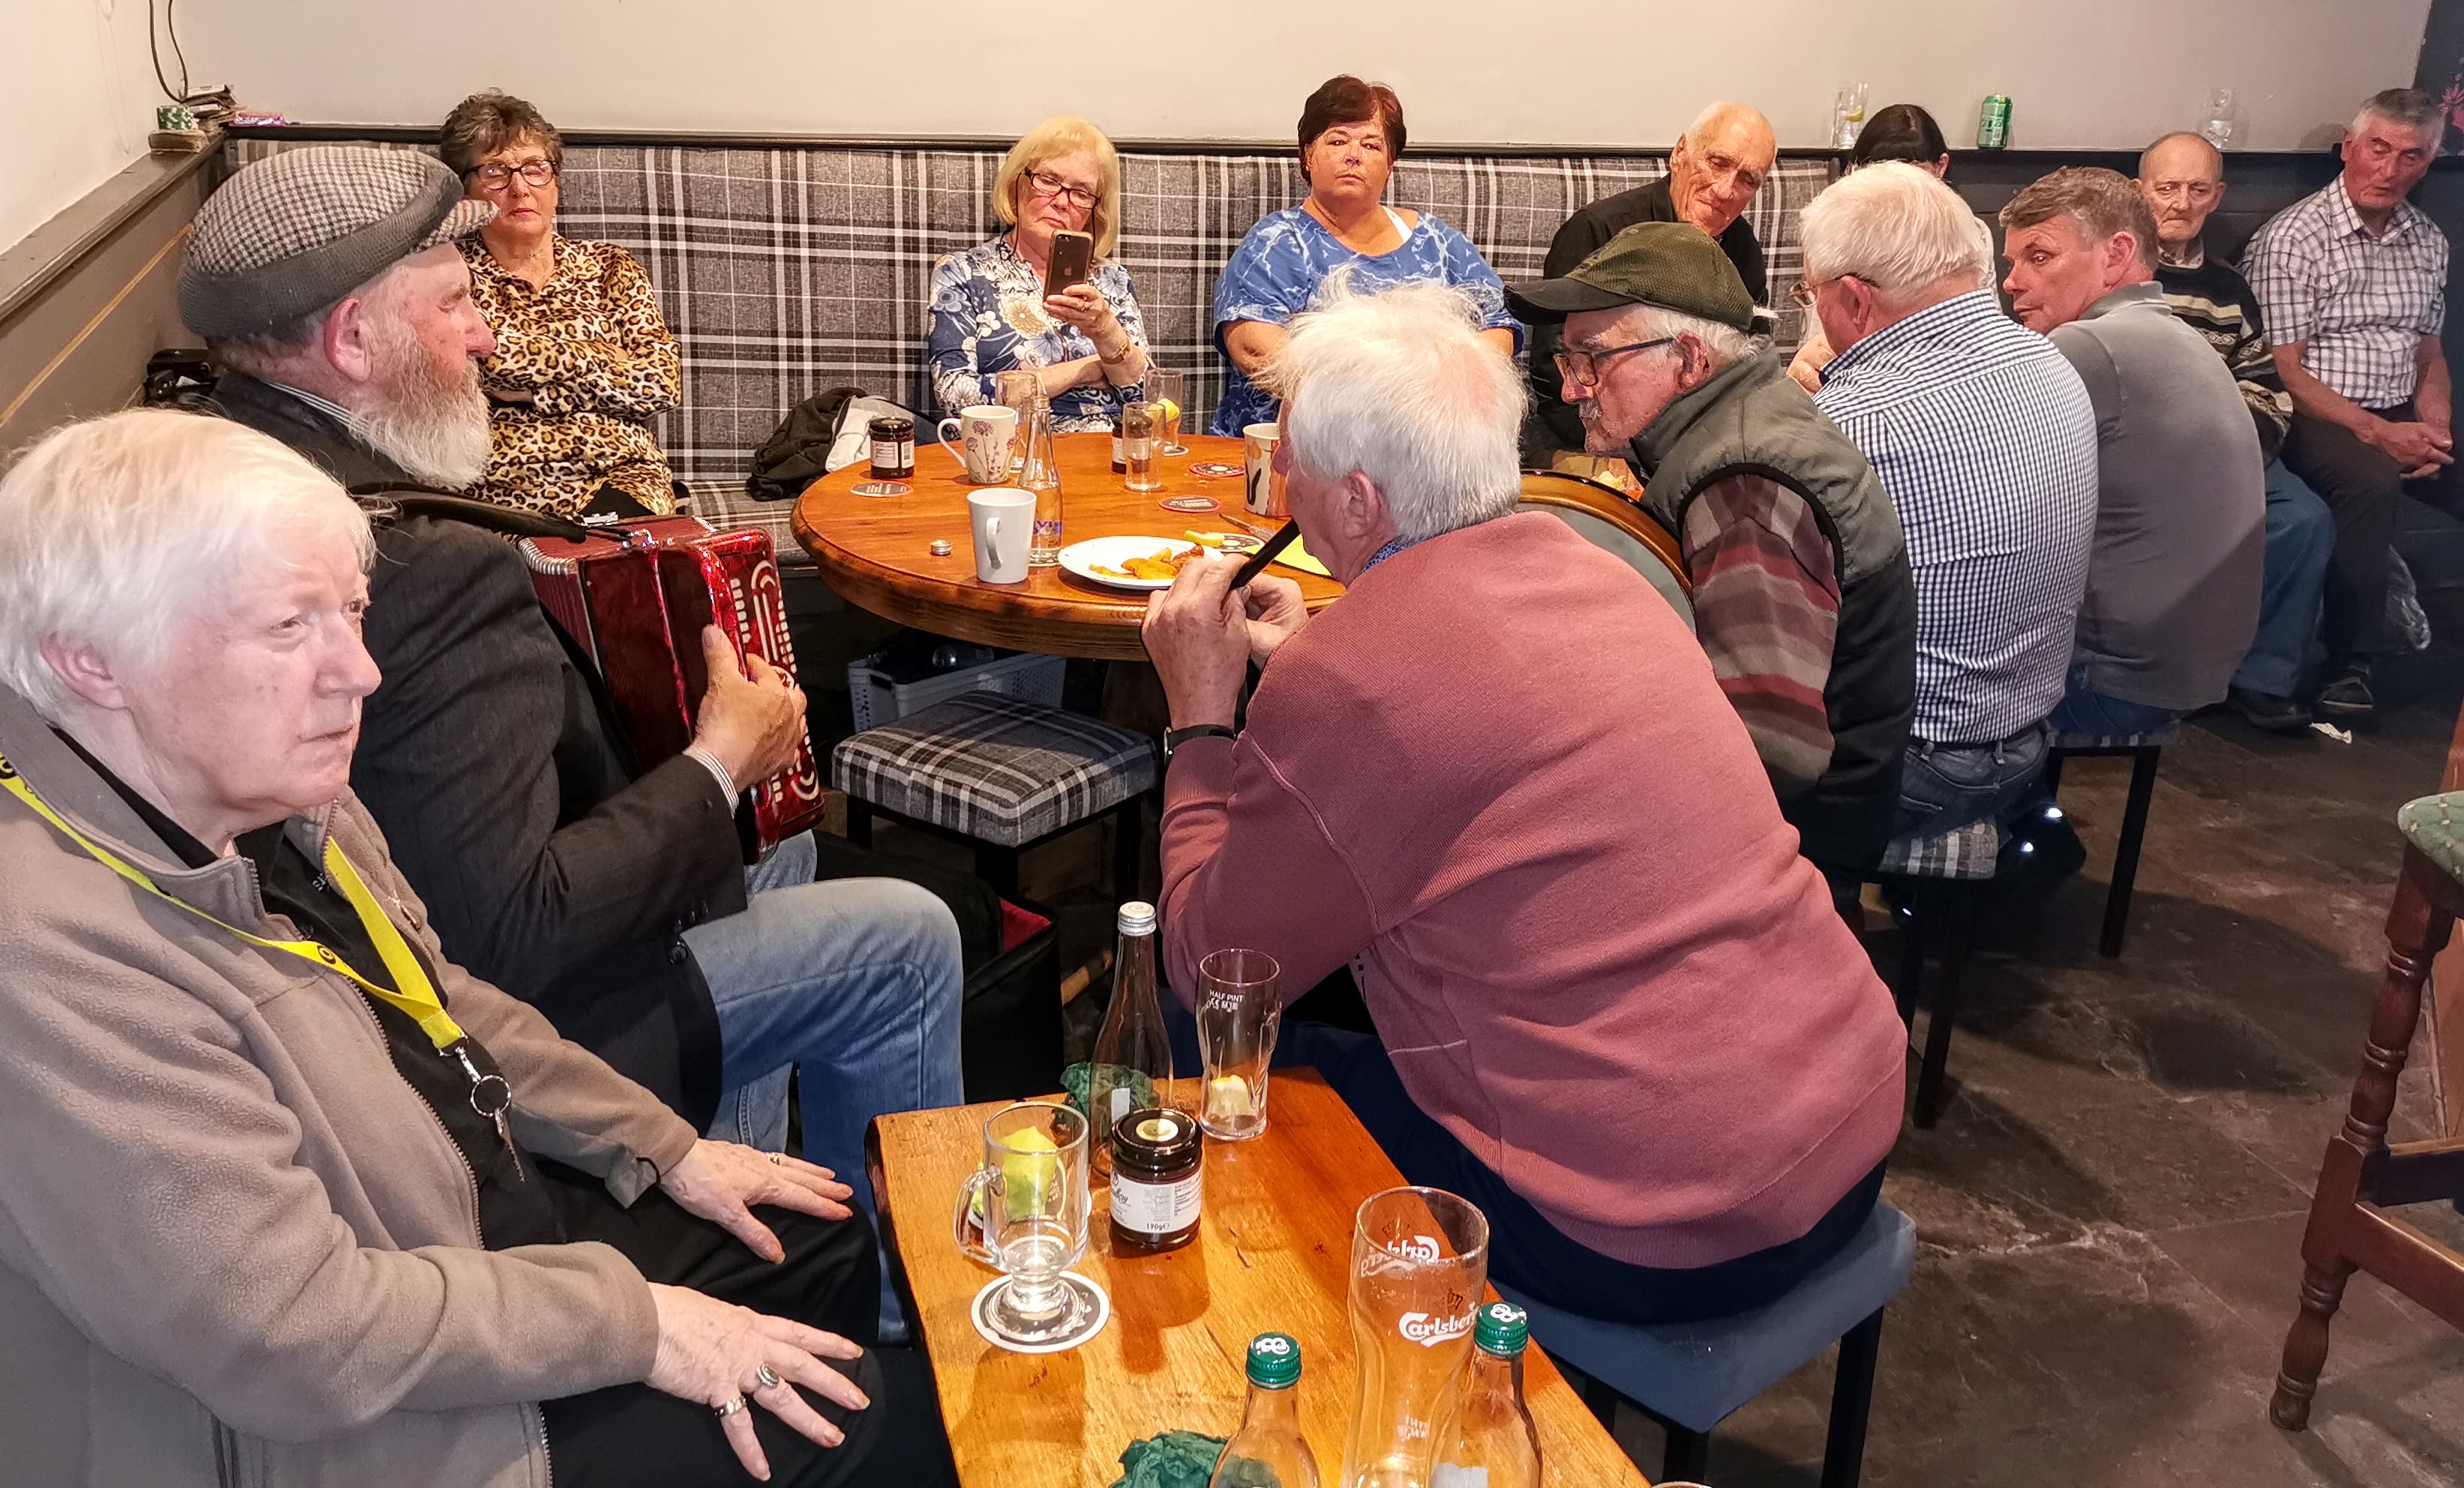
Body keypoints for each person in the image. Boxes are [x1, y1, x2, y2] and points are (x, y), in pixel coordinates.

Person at [0, 410, 951, 1488]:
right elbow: (293, 1333)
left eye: (350, 611)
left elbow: (439, 999)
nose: (360, 671)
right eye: (289, 626)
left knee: (813, 1236)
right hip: (319, 1431)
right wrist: (639, 1322)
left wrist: (658, 1144)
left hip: (437, 1227)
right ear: (90, 661)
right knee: (873, 1426)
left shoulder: (245, 778)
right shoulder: (7, 941)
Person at [181, 145, 963, 1336]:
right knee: (910, 935)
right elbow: (512, 933)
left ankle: (751, 1202)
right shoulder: (424, 568)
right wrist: (713, 763)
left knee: (781, 842)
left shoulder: (213, 469)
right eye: (456, 302)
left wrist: (713, 784)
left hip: (359, 958)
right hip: (507, 1029)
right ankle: (907, 1316)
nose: (485, 338)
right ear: (352, 338)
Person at [1141, 278, 1901, 1324]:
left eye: (1291, 459)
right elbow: (1464, 715)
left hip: (1654, 1224)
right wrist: (1326, 655)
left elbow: (1210, 970)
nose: (1280, 481)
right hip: (1845, 1120)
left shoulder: (1359, 682)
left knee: (1190, 1044)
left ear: (1357, 501)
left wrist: (1198, 723)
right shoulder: (1602, 572)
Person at [1507, 223, 1915, 878]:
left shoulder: (1742, 485)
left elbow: (1769, 752)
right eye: (1569, 361)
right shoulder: (1748, 412)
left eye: (1592, 359)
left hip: (1797, 848)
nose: (1573, 388)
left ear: (1689, 359)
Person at [1802, 163, 2099, 840]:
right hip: (2029, 741)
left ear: (1854, 300)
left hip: (1912, 771)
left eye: (1809, 293)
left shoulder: (1853, 422)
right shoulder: (2052, 363)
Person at [2000, 166, 2267, 736]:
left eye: (2039, 257)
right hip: (2192, 671)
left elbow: (1988, 492)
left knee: (1886, 685)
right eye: (2013, 261)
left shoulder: (2087, 344)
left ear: (2117, 253)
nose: (2012, 282)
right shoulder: (2177, 334)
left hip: (2112, 680)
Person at [2246, 88, 2464, 724]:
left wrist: (2433, 426)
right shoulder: (2293, 238)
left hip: (2400, 406)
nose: (2390, 169)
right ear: (2348, 149)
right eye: (2378, 149)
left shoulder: (2427, 240)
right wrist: (2377, 433)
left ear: (2427, 162)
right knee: (2368, 482)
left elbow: (2429, 352)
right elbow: (2284, 370)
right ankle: (2352, 662)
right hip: (2314, 411)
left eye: (2410, 156)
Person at [2139, 130, 2333, 733]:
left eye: (2197, 190)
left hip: (2226, 449)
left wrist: (2231, 448)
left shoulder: (2228, 288)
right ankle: (2165, 676)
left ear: (2217, 197)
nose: (2180, 203)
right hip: (2144, 454)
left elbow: (2264, 385)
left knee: (2303, 518)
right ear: (2139, 191)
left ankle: (2260, 680)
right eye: (2166, 188)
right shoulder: (2117, 271)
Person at [1210, 75, 1520, 436]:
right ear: (1308, 156)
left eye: (1372, 146)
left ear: (1389, 166)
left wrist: (1443, 394)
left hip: (1429, 444)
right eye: (1338, 141)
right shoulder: (1275, 243)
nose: (1354, 155)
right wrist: (1389, 405)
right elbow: (1255, 350)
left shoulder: (1438, 242)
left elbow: (1501, 324)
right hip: (1298, 447)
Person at [437, 92, 685, 518]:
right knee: (553, 553)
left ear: (555, 184)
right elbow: (470, 372)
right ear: (466, 192)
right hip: (502, 487)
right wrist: (604, 359)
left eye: (535, 169)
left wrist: (535, 388)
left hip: (623, 475)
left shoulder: (609, 267)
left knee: (618, 547)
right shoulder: (448, 273)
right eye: (495, 172)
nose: (520, 188)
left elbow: (660, 384)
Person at [1529, 103, 1777, 458]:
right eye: (1718, 163)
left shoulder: (1742, 249)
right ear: (1679, 153)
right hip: (1592, 436)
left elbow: (1751, 362)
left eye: (1747, 180)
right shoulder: (1598, 230)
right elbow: (1552, 372)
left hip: (1705, 442)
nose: (1725, 190)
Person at [926, 115, 1151, 431]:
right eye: (1048, 181)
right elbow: (957, 399)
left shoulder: (1113, 280)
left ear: (1094, 211)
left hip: (1109, 449)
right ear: (1018, 184)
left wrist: (1106, 332)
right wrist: (1086, 369)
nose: (1062, 202)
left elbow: (1148, 402)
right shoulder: (962, 273)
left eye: (1082, 193)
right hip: (1013, 450)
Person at [1789, 104, 1949, 393]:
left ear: (1941, 168)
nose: (1895, 189)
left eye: (1912, 173)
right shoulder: (1836, 233)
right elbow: (1820, 335)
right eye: (1878, 173)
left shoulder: (1968, 238)